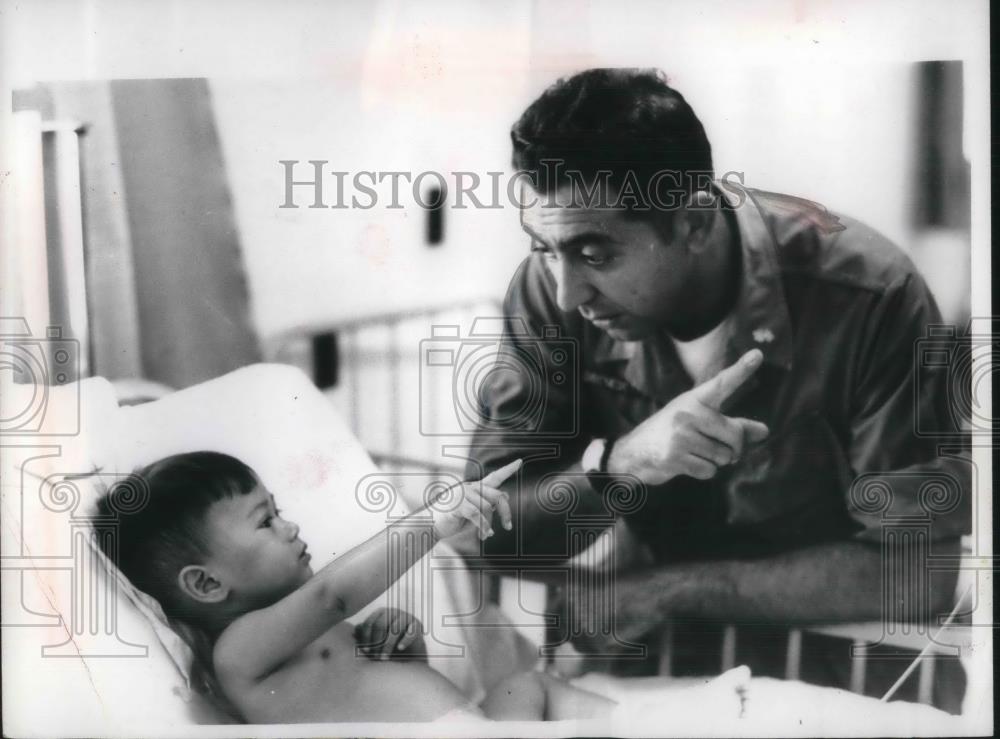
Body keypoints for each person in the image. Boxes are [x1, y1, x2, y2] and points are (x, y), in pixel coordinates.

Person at [466, 68, 971, 707]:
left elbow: (916, 576)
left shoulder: (873, 297)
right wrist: (617, 466)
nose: (567, 292)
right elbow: (486, 530)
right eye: (544, 248)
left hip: (847, 668)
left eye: (595, 255)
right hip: (652, 665)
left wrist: (668, 589)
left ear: (695, 222)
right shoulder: (548, 292)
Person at [96, 451, 752, 723]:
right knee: (528, 683)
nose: (291, 525)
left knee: (528, 686)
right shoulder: (240, 651)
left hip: (471, 729)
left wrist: (395, 646)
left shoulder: (290, 634)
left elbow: (362, 680)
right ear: (205, 582)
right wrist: (431, 524)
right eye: (266, 521)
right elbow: (333, 595)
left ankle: (667, 723)